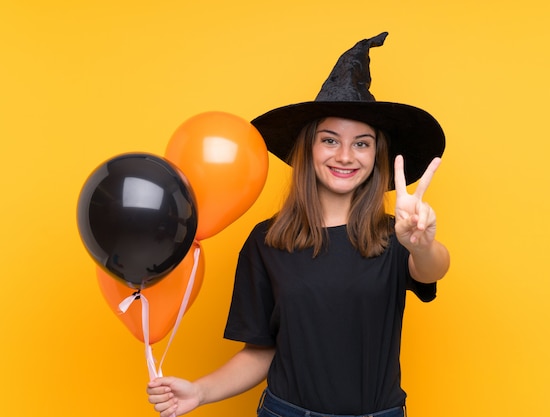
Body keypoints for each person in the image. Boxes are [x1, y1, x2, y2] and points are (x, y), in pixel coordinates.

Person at [147, 31, 449, 417]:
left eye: (361, 143)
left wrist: (421, 243)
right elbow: (260, 351)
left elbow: (431, 269)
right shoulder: (268, 241)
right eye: (329, 140)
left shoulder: (395, 235)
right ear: (308, 148)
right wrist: (199, 392)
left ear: (377, 156)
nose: (345, 156)